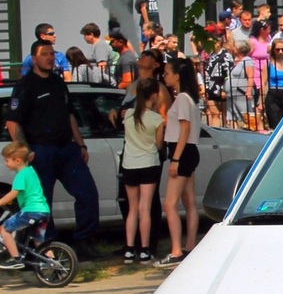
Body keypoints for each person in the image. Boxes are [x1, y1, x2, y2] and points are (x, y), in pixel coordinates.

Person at [5, 40, 101, 258]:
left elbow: (70, 115)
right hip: (41, 151)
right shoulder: (25, 86)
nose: (50, 58)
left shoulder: (58, 82)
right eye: (45, 54)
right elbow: (13, 123)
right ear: (34, 58)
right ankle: (48, 249)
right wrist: (26, 152)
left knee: (87, 194)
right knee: (41, 203)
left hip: (67, 150)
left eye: (52, 54)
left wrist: (81, 143)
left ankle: (84, 242)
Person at [158, 57, 201, 266]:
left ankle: (176, 250)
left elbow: (184, 129)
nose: (164, 76)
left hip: (182, 151)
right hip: (187, 151)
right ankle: (190, 246)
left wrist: (175, 159)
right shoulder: (188, 98)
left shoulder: (183, 98)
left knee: (170, 202)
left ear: (177, 75)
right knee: (189, 200)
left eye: (167, 72)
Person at [120, 78, 165, 264]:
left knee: (132, 209)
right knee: (144, 208)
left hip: (129, 164)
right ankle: (145, 249)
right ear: (154, 95)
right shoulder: (156, 119)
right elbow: (159, 144)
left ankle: (130, 249)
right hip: (148, 163)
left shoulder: (128, 114)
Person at [0, 141, 52, 271]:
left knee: (5, 230)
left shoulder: (20, 175)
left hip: (31, 211)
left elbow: (12, 194)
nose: (5, 163)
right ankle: (53, 262)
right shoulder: (30, 171)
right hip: (44, 211)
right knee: (39, 241)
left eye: (7, 161)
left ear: (17, 160)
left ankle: (16, 259)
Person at [263, 37, 283, 128]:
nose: (280, 52)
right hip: (273, 93)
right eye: (277, 50)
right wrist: (260, 101)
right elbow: (263, 82)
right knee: (275, 122)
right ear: (273, 50)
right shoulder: (269, 64)